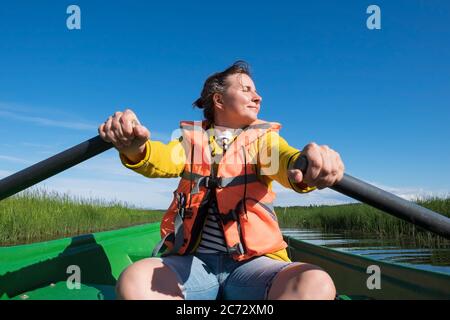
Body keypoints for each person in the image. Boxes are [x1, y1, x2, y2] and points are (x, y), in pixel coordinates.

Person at [98, 61, 345, 300]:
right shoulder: (190, 141)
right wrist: (136, 149)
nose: (258, 98)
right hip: (193, 265)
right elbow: (163, 159)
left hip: (252, 267)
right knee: (134, 282)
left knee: (315, 283)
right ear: (218, 100)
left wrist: (305, 163)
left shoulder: (264, 141)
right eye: (246, 89)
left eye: (256, 91)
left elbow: (285, 160)